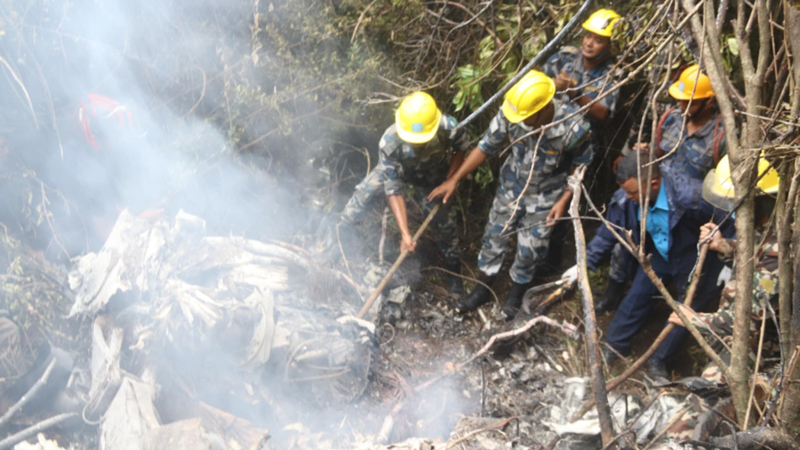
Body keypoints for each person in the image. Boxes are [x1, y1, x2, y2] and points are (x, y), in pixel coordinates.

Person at [427, 71, 592, 319]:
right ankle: (483, 288)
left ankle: (515, 295)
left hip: (547, 194)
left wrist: (563, 200)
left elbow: (582, 163)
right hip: (511, 186)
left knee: (531, 248)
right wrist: (454, 180)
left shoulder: (573, 127)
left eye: (527, 119)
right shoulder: (512, 112)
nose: (521, 122)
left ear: (544, 107)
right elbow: (485, 147)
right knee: (494, 236)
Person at [582, 151, 730, 379]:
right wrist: (583, 266)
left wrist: (728, 257)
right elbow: (608, 232)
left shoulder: (690, 195)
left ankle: (660, 359)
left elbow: (728, 219)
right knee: (638, 294)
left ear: (653, 183)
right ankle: (615, 345)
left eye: (632, 192)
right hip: (660, 253)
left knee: (685, 311)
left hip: (691, 257)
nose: (628, 196)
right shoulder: (627, 198)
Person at [593, 64, 727, 314]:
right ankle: (614, 294)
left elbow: (723, 183)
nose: (682, 107)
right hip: (653, 195)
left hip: (686, 211)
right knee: (626, 247)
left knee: (678, 260)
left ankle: (671, 309)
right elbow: (655, 155)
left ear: (709, 102)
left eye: (690, 102)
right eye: (680, 100)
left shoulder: (722, 136)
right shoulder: (670, 119)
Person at [664, 154, 780, 439]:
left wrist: (696, 320)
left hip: (761, 353)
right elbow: (757, 252)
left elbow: (751, 320)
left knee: (700, 410)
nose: (734, 212)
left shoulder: (785, 251)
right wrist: (723, 244)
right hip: (739, 341)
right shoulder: (768, 229)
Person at [339, 92, 471, 295]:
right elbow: (393, 189)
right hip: (399, 171)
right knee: (364, 193)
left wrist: (449, 180)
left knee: (444, 222)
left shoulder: (448, 127)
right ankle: (341, 236)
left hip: (432, 177)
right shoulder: (389, 141)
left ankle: (454, 273)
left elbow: (461, 149)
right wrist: (405, 233)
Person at [539, 8, 622, 278]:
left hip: (581, 146)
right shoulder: (565, 55)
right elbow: (536, 83)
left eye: (598, 39)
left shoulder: (613, 71)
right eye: (588, 35)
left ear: (610, 44)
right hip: (545, 137)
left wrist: (575, 94)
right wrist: (553, 83)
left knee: (564, 198)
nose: (589, 42)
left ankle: (550, 262)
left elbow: (603, 112)